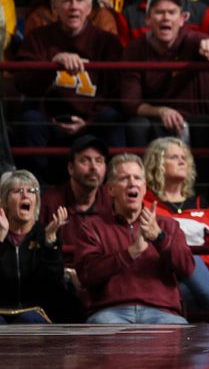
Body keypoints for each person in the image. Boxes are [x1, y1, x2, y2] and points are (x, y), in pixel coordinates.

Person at [13, 0, 125, 180]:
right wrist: (52, 65)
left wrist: (88, 121)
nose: (74, 6)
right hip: (49, 121)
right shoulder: (38, 38)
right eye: (66, 1)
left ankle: (113, 195)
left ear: (89, 8)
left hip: (92, 122)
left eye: (79, 0)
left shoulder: (108, 43)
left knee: (112, 118)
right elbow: (22, 82)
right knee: (29, 120)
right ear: (55, 8)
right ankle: (34, 192)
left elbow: (117, 93)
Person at [74, 153, 195, 324]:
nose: (132, 183)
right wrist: (129, 253)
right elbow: (87, 275)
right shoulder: (92, 226)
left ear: (144, 187)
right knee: (102, 325)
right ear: (110, 189)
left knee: (177, 329)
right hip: (111, 312)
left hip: (162, 311)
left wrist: (159, 238)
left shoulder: (167, 225)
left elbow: (187, 269)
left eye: (137, 178)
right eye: (124, 178)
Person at [120, 0, 209, 148]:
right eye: (159, 12)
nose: (166, 18)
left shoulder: (192, 39)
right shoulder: (135, 49)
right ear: (147, 19)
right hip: (155, 119)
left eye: (172, 12)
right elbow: (130, 103)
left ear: (182, 19)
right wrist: (161, 111)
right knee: (136, 126)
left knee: (206, 125)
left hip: (194, 119)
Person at [142, 137, 209, 312]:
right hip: (163, 273)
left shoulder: (202, 204)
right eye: (174, 157)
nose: (181, 161)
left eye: (184, 158)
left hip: (200, 273)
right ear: (157, 164)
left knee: (191, 279)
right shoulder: (146, 203)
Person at [0, 170, 69, 324]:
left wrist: (50, 242)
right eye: (18, 191)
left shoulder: (44, 234)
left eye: (31, 191)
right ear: (4, 201)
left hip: (36, 312)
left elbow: (52, 284)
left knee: (28, 320)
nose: (26, 195)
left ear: (36, 200)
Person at [39, 135, 112, 248]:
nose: (93, 167)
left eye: (99, 161)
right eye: (85, 160)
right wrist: (47, 239)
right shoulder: (49, 202)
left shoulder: (113, 199)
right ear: (71, 168)